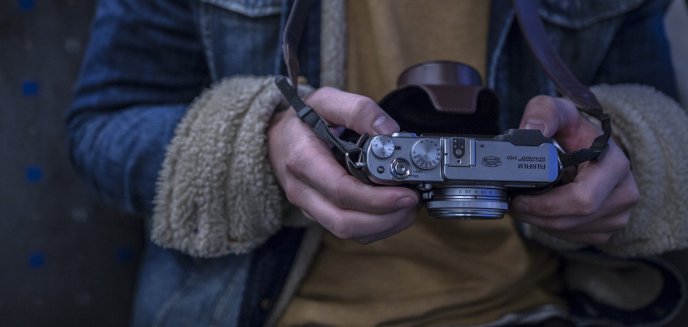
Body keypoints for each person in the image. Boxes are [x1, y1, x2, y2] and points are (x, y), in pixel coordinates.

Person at [66, 0, 688, 326]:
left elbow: (654, 114)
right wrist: (259, 144)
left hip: (534, 310)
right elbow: (102, 124)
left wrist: (625, 153)